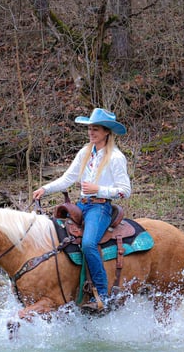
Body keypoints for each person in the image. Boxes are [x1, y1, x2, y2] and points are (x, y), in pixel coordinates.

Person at [32, 108, 132, 312]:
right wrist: (45, 188)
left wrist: (99, 189)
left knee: (87, 244)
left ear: (106, 132)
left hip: (101, 207)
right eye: (89, 129)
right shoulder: (85, 152)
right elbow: (68, 178)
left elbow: (125, 191)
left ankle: (102, 295)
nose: (91, 133)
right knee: (57, 236)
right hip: (82, 205)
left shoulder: (115, 157)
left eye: (95, 129)